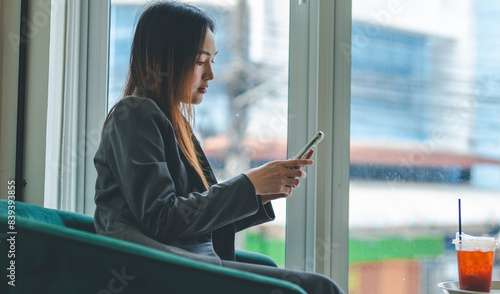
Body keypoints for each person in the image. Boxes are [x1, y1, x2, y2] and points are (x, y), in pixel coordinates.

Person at [93, 2, 343, 293]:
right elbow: (162, 219)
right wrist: (248, 187)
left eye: (212, 60)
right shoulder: (133, 115)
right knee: (318, 288)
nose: (210, 74)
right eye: (201, 61)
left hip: (185, 263)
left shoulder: (174, 124)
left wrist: (258, 195)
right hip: (161, 270)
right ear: (165, 60)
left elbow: (191, 222)